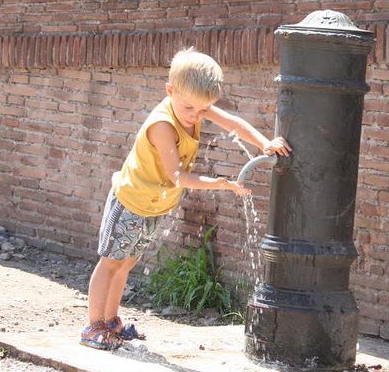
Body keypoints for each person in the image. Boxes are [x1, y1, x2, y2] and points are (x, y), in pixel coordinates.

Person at [80, 48, 291, 350]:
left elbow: (233, 123)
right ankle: (93, 326)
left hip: (154, 205)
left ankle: (112, 322)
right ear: (170, 91)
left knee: (126, 264)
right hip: (130, 201)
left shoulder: (197, 106)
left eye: (203, 108)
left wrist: (265, 143)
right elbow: (177, 176)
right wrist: (220, 183)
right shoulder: (163, 125)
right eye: (190, 108)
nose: (196, 115)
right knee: (110, 263)